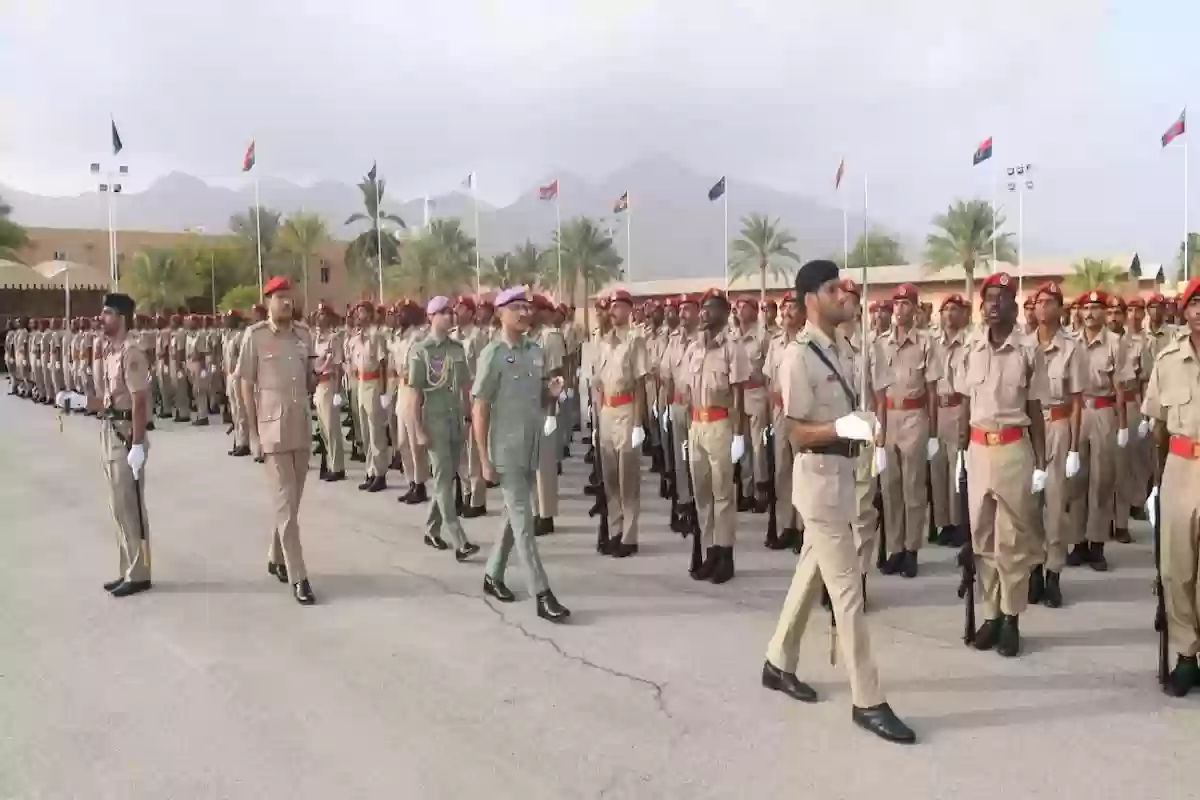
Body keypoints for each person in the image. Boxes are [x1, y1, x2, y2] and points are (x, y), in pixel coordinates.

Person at [762, 259, 915, 744]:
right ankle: (867, 699)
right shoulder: (798, 356)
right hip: (820, 483)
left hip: (845, 476)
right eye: (831, 289)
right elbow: (795, 432)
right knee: (849, 594)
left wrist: (861, 425)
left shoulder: (844, 348)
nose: (840, 295)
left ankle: (777, 659)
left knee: (812, 572)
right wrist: (838, 429)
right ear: (810, 299)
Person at [957, 272, 1049, 657]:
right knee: (983, 539)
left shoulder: (1029, 352)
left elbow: (1035, 410)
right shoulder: (970, 348)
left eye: (1002, 297)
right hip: (978, 450)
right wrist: (960, 451)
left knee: (1011, 539)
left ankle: (1011, 619)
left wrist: (1042, 463)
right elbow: (964, 402)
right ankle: (991, 614)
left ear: (1014, 305)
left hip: (1013, 450)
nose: (993, 304)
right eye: (988, 297)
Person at [473, 287, 570, 622]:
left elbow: (538, 398)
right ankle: (541, 593)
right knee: (524, 521)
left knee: (512, 519)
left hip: (532, 446)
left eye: (527, 307)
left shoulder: (535, 352)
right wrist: (484, 459)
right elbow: (480, 409)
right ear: (500, 313)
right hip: (506, 450)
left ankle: (492, 574)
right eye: (517, 308)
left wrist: (551, 393)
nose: (525, 313)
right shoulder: (493, 354)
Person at [60, 293, 153, 597]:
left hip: (127, 437)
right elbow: (109, 402)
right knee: (118, 508)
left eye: (108, 314)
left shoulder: (132, 353)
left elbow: (139, 402)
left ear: (122, 318)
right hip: (110, 432)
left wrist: (138, 444)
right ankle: (128, 568)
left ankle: (140, 574)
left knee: (131, 507)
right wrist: (79, 401)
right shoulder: (111, 353)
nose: (102, 318)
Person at [236, 276, 317, 606]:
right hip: (272, 430)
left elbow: (310, 381)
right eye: (280, 297)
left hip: (300, 426)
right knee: (285, 502)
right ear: (267, 300)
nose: (286, 302)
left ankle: (275, 556)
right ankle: (300, 576)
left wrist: (320, 371)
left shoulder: (304, 335)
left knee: (291, 504)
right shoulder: (254, 337)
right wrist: (252, 433)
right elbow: (244, 384)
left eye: (289, 297)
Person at [1141, 276, 1200, 696]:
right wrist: (1156, 485)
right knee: (1177, 568)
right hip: (1179, 466)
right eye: (1195, 304)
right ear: (1185, 311)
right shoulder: (1167, 360)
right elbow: (1158, 429)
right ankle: (1186, 655)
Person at [872, 283, 940, 578]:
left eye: (905, 304)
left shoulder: (926, 343)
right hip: (889, 416)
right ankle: (895, 548)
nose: (899, 310)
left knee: (913, 488)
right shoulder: (880, 343)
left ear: (915, 309)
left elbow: (933, 391)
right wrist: (878, 435)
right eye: (896, 304)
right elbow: (877, 394)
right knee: (890, 488)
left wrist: (934, 434)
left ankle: (912, 549)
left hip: (915, 415)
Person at [685, 288, 750, 583]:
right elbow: (688, 392)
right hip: (697, 425)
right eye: (702, 308)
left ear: (724, 313)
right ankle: (710, 549)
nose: (704, 313)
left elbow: (738, 394)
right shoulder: (694, 347)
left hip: (721, 424)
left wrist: (738, 434)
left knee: (723, 493)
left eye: (710, 308)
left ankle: (725, 554)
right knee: (702, 493)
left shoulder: (732, 347)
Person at [410, 296, 481, 561]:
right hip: (434, 421)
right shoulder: (421, 350)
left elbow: (464, 388)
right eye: (443, 312)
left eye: (451, 311)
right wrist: (417, 429)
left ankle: (431, 529)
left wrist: (467, 419)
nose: (450, 316)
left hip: (454, 421)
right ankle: (460, 540)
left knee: (448, 478)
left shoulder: (457, 348)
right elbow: (416, 395)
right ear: (431, 316)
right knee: (443, 481)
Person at [1027, 282, 1084, 608]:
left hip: (1060, 425)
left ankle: (1054, 573)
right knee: (1030, 504)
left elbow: (1077, 401)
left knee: (1056, 504)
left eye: (1049, 302)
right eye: (1038, 302)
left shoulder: (1071, 348)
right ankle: (1034, 570)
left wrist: (1075, 448)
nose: (1042, 307)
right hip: (1032, 428)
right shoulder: (1024, 345)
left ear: (1060, 308)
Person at [1067, 290, 1131, 571]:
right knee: (1076, 479)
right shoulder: (1071, 342)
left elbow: (1120, 387)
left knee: (1102, 481)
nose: (1090, 313)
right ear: (1079, 312)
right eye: (1086, 308)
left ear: (1106, 313)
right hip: (1077, 413)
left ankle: (1097, 545)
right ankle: (1077, 543)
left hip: (1104, 413)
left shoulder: (1116, 343)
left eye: (1096, 307)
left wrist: (1123, 425)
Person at [593, 289, 650, 557]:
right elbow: (599, 384)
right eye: (610, 306)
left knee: (628, 478)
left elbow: (640, 385)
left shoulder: (635, 341)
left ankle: (629, 535)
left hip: (627, 411)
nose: (612, 311)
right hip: (607, 412)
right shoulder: (603, 342)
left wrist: (639, 423)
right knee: (610, 477)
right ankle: (614, 531)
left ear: (628, 310)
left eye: (617, 306)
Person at [765, 291, 804, 551]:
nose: (787, 312)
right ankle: (786, 525)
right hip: (780, 412)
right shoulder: (775, 342)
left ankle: (803, 528)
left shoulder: (807, 342)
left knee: (803, 470)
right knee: (782, 470)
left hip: (801, 412)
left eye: (792, 307)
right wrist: (771, 418)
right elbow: (770, 381)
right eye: (784, 307)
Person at [930, 294, 971, 547]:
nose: (949, 315)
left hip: (958, 407)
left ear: (964, 315)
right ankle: (942, 522)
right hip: (937, 409)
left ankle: (958, 523)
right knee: (938, 468)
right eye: (946, 310)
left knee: (957, 468)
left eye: (955, 310)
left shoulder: (970, 342)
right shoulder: (932, 341)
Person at [532, 294, 568, 534]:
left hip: (545, 403)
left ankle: (546, 516)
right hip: (527, 404)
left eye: (532, 309)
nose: (527, 313)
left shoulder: (550, 338)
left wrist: (552, 415)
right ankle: (535, 511)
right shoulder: (527, 338)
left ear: (544, 311)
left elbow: (556, 375)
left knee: (544, 464)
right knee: (530, 462)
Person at [453, 295, 490, 517]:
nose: (456, 312)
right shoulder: (452, 337)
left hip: (473, 396)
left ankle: (477, 500)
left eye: (460, 308)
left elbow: (483, 373)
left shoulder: (478, 337)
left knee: (474, 451)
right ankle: (465, 493)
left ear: (470, 312)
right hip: (454, 397)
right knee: (460, 451)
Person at [349, 301, 390, 493]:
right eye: (357, 312)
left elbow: (382, 364)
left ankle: (380, 473)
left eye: (363, 312)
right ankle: (370, 471)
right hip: (361, 383)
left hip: (373, 384)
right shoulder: (356, 338)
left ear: (371, 314)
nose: (359, 316)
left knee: (376, 432)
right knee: (365, 431)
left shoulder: (377, 336)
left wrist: (383, 391)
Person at [735, 297, 771, 513]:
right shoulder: (732, 336)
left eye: (744, 307)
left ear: (754, 310)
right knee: (743, 445)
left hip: (757, 393)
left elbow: (769, 373)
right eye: (738, 307)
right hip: (738, 395)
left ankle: (761, 493)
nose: (740, 310)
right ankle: (746, 492)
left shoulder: (763, 336)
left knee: (758, 447)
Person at [312, 303, 347, 480]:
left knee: (332, 428)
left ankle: (338, 467)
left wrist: (338, 392)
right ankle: (329, 463)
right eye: (318, 314)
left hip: (330, 384)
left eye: (323, 314)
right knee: (323, 429)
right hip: (319, 385)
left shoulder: (334, 339)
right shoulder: (316, 338)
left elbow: (339, 366)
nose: (319, 317)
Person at [222, 311, 252, 457]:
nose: (226, 321)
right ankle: (238, 440)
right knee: (234, 410)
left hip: (238, 376)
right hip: (230, 375)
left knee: (241, 410)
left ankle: (244, 442)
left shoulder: (241, 335)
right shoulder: (228, 335)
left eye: (229, 319)